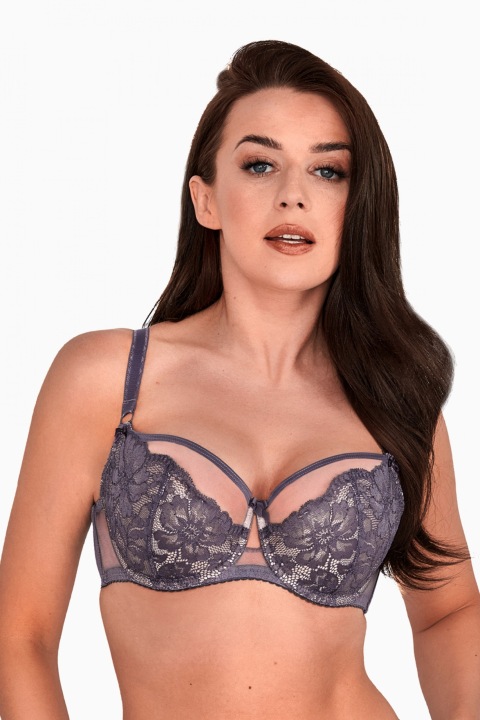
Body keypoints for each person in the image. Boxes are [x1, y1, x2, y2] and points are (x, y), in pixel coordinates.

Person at [0, 39, 479, 720]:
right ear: (206, 200)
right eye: (260, 165)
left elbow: (448, 611)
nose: (293, 195)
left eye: (329, 171)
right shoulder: (108, 380)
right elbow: (20, 635)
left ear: (357, 206)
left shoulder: (394, 399)